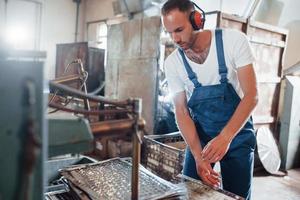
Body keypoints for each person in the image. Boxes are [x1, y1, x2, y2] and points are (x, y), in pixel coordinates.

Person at [161, 0, 258, 199]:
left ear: (197, 20)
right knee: (191, 191)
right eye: (170, 32)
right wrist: (198, 155)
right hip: (201, 137)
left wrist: (225, 137)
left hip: (237, 134)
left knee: (236, 195)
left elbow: (251, 95)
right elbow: (181, 111)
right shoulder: (173, 63)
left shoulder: (234, 41)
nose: (175, 39)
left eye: (179, 30)